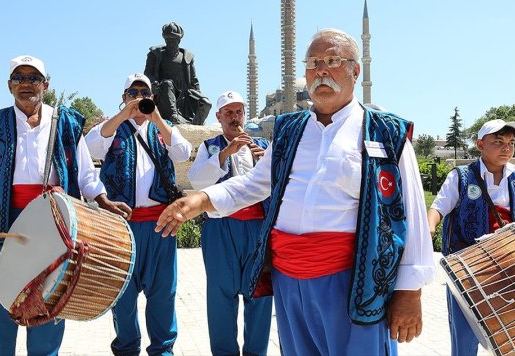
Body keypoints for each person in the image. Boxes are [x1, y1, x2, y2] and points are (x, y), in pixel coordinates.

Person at [155, 28, 436, 355]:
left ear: (355, 71)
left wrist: (409, 291)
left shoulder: (386, 132)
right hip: (290, 284)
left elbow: (412, 214)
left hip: (355, 282)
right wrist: (202, 199)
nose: (322, 71)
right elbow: (255, 184)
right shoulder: (290, 130)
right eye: (314, 63)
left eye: (332, 61)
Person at [0, 55, 131, 356]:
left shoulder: (66, 122)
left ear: (46, 85)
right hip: (4, 222)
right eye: (19, 78)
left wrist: (103, 201)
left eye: (33, 78)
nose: (26, 84)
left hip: (54, 225)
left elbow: (86, 173)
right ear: (9, 85)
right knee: (3, 305)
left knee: (50, 302)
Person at [85, 73, 192, 356]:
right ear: (123, 97)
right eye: (132, 93)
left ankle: (163, 350)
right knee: (123, 294)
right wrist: (123, 115)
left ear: (152, 96)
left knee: (162, 293)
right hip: (121, 226)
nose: (138, 97)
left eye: (143, 92)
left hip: (160, 224)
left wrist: (156, 118)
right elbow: (91, 146)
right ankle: (127, 348)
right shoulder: (112, 128)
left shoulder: (163, 127)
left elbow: (182, 152)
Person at [427, 119, 515, 356]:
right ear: (480, 144)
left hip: (506, 269)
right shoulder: (461, 177)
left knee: (509, 336)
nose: (506, 148)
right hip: (466, 268)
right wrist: (429, 228)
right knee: (464, 336)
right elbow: (439, 208)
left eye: (511, 143)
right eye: (498, 142)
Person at [187, 91, 272, 356]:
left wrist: (264, 161)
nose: (235, 118)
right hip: (221, 228)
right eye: (229, 113)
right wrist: (224, 154)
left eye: (239, 112)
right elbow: (196, 181)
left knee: (259, 293)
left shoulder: (263, 146)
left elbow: (280, 185)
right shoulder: (209, 146)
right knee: (220, 295)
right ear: (219, 117)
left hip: (257, 228)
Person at [144, 21, 211, 125]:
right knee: (167, 83)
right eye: (168, 39)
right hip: (165, 94)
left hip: (185, 94)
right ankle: (173, 116)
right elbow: (148, 74)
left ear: (179, 40)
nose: (170, 42)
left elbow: (194, 80)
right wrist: (154, 84)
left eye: (174, 40)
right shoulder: (156, 55)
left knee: (206, 104)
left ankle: (196, 124)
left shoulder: (187, 57)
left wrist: (198, 96)